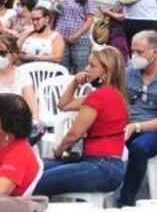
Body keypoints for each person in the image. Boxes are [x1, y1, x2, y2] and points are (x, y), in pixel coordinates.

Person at [35, 46, 128, 197]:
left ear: (106, 71)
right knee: (36, 169)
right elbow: (63, 105)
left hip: (101, 166)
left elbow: (74, 135)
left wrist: (57, 153)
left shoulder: (99, 96)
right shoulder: (112, 93)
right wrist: (74, 83)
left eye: (92, 65)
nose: (86, 68)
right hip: (103, 165)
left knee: (36, 181)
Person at [117, 31, 157, 207]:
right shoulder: (128, 73)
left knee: (139, 147)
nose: (134, 56)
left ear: (155, 52)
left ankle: (125, 202)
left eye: (140, 52)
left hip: (154, 132)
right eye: (133, 51)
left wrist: (137, 126)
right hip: (125, 126)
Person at [54, 0, 96, 72]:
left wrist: (76, 35)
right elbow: (54, 11)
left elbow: (89, 20)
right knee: (62, 69)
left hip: (80, 40)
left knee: (80, 70)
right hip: (61, 36)